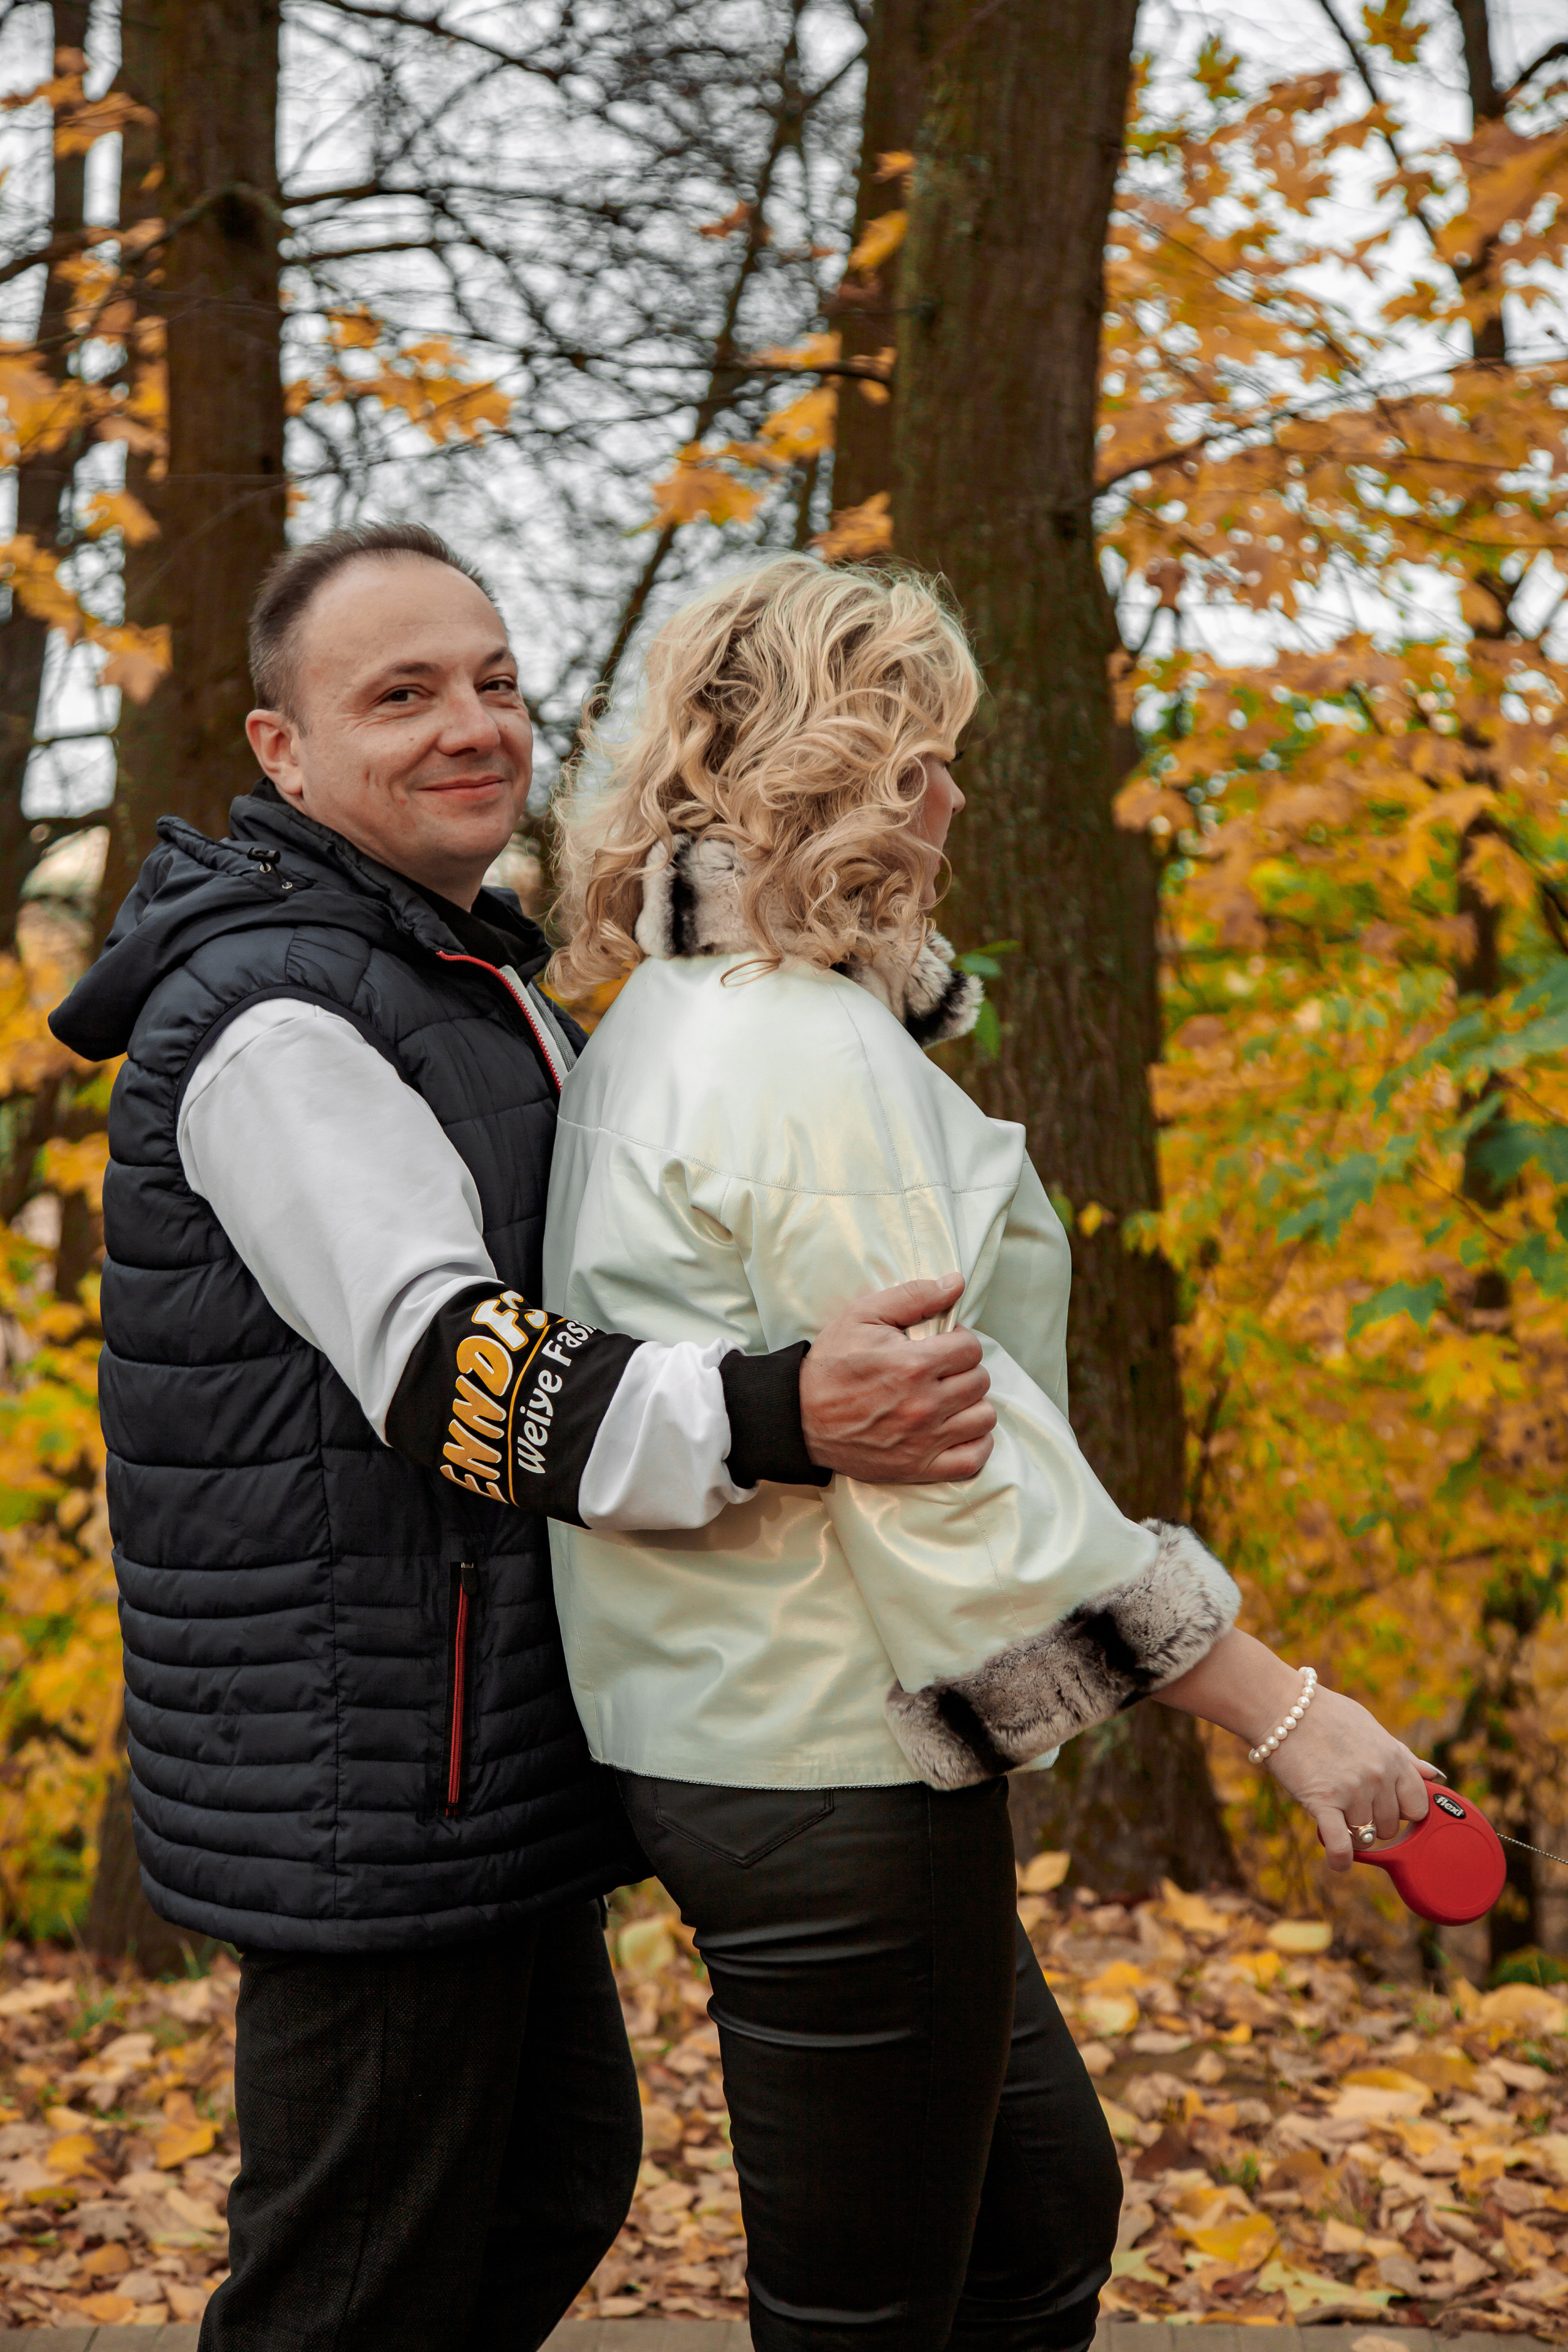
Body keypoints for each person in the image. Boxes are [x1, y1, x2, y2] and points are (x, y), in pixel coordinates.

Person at [48, 524, 1001, 2352]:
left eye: (492, 680)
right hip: (369, 1767)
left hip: (470, 1747)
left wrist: (860, 941)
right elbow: (450, 1370)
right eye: (398, 695)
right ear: (282, 752)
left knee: (550, 2181)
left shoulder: (448, 971)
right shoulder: (277, 1019)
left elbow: (688, 1076)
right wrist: (778, 1406)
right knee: (354, 2284)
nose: (469, 726)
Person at [543, 554, 1442, 2352]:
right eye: (928, 752)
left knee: (1035, 2223)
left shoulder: (674, 1010)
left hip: (748, 1729)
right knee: (880, 2309)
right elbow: (953, 1472)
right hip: (819, 1753)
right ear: (852, 764)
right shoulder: (797, 1051)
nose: (953, 791)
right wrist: (1281, 1710)